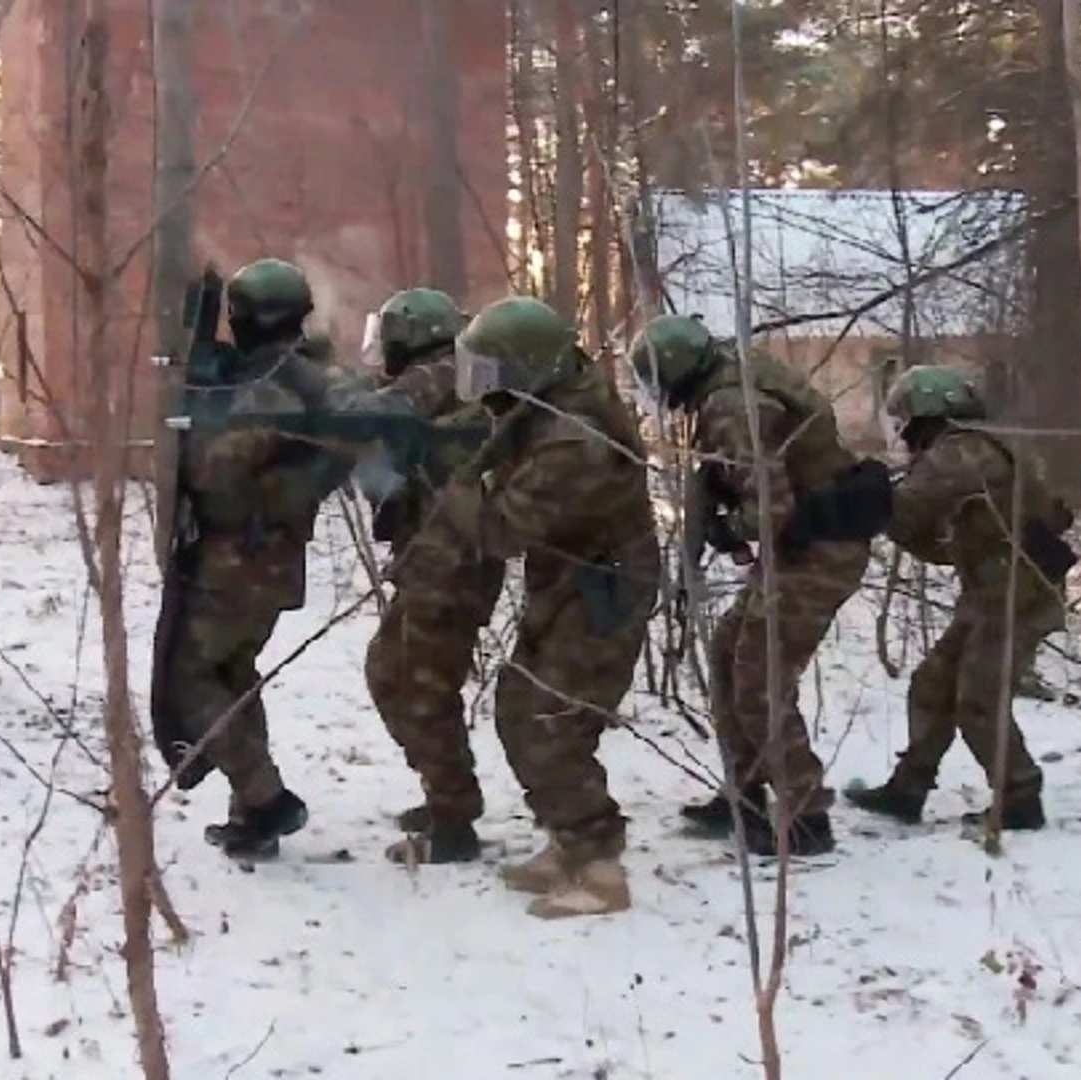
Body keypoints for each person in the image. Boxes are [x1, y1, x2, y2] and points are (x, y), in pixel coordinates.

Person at [627, 314, 883, 858]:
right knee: (728, 654)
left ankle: (806, 811)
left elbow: (772, 504)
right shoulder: (730, 383)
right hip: (804, 544)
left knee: (758, 676)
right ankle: (744, 792)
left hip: (822, 547)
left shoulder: (729, 406)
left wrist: (730, 529)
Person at [436, 295, 657, 918]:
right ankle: (569, 841)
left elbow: (502, 531)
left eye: (495, 376)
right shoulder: (554, 408)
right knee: (519, 706)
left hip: (601, 594)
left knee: (552, 721)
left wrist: (453, 484)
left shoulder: (572, 440)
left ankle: (600, 866)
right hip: (573, 584)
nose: (486, 392)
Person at [159, 257, 352, 858]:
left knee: (193, 679)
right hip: (257, 560)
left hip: (237, 561)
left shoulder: (279, 384)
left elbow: (218, 473)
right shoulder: (288, 374)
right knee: (232, 676)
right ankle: (252, 815)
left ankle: (267, 800)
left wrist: (191, 434)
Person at [844, 364, 1077, 830]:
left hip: (1018, 591)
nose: (903, 430)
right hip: (995, 588)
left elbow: (907, 510)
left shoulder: (962, 453)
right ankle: (909, 788)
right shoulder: (975, 448)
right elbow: (939, 542)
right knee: (933, 683)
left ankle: (1019, 796)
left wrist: (858, 496)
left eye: (905, 417)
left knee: (980, 697)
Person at [351, 287, 507, 865]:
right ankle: (450, 798)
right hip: (435, 558)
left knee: (420, 686)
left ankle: (453, 821)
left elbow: (382, 407)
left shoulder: (443, 373)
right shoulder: (449, 374)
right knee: (392, 673)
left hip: (452, 565)